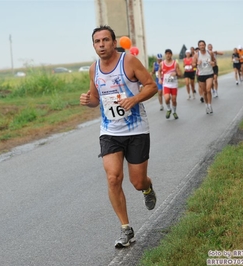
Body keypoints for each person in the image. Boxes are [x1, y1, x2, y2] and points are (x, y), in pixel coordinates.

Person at [79, 25, 158, 248]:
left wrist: (134, 99)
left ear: (114, 43)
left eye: (105, 40)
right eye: (97, 41)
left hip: (136, 130)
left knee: (137, 181)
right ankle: (126, 229)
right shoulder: (93, 69)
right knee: (113, 177)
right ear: (94, 45)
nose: (101, 45)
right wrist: (88, 101)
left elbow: (152, 86)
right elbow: (95, 99)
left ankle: (148, 188)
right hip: (110, 131)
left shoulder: (129, 61)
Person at [192, 40, 216, 114]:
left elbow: (214, 62)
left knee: (208, 90)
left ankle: (210, 105)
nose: (202, 46)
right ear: (198, 46)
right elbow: (193, 65)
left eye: (203, 45)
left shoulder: (210, 53)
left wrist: (213, 63)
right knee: (204, 92)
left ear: (205, 45)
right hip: (201, 74)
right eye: (200, 45)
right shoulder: (196, 55)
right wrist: (196, 63)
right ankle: (206, 105)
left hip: (209, 73)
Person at [158, 49, 182, 119]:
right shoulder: (162, 63)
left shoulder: (175, 63)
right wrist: (160, 79)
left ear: (171, 55)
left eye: (169, 54)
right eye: (166, 54)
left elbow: (180, 74)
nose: (168, 55)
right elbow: (159, 71)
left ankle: (174, 112)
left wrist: (176, 73)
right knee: (167, 98)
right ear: (165, 55)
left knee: (174, 100)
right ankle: (169, 109)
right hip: (166, 84)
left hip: (174, 84)